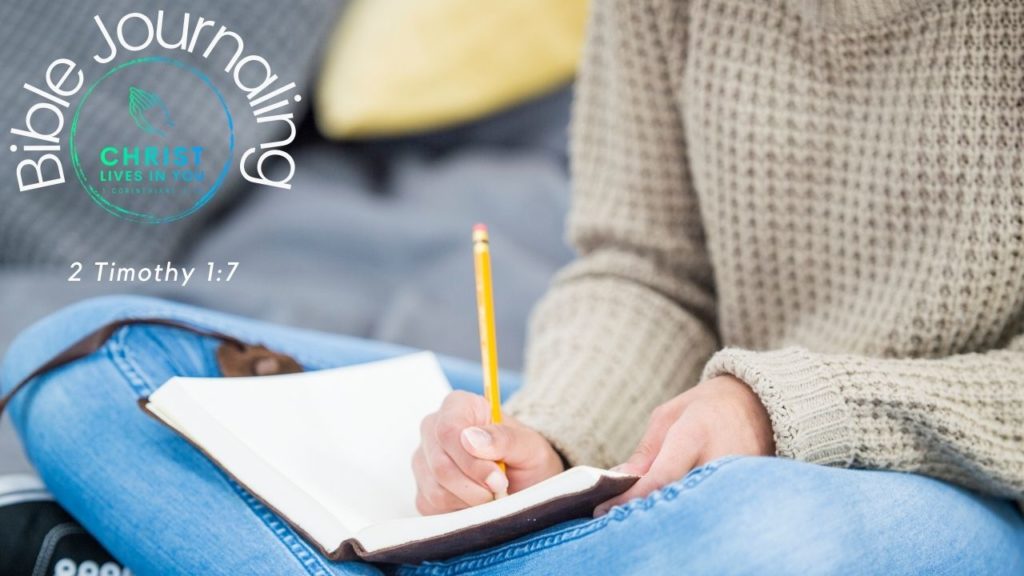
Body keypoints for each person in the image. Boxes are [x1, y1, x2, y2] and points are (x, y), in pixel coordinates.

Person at [3, 0, 1024, 574]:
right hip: (684, 467)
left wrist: (789, 411)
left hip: (960, 488)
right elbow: (644, 271)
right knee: (96, 366)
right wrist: (545, 435)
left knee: (764, 541)